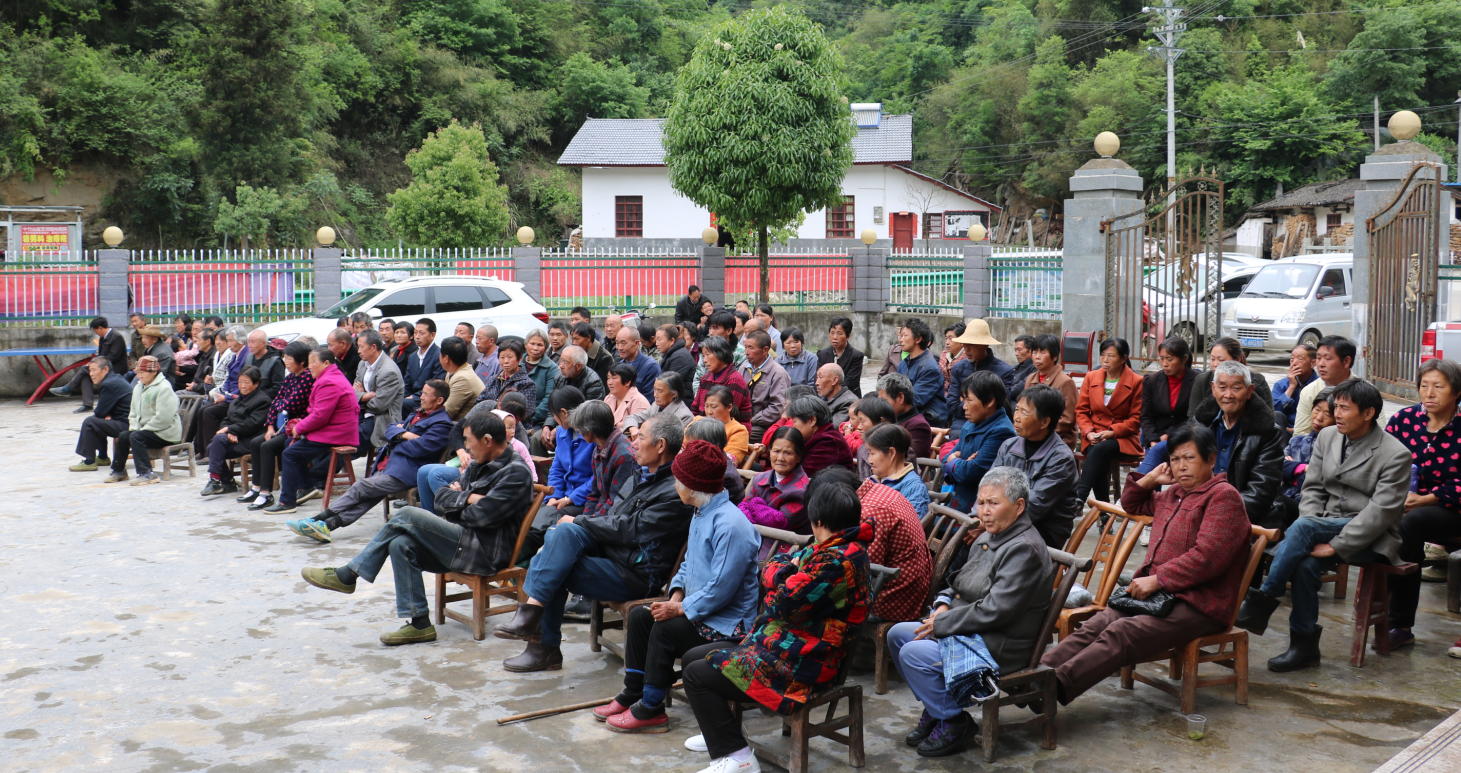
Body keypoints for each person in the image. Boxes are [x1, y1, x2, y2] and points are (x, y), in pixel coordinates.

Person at [1042, 424, 1252, 702]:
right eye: (1175, 459)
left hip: (1200, 603)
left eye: (1189, 458)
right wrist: (1151, 478)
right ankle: (1036, 673)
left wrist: (1158, 579)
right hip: (1160, 597)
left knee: (1122, 632)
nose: (1181, 466)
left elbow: (1208, 557)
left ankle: (1053, 688)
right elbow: (1130, 503)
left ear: (1211, 459)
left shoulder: (1223, 497)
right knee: (1100, 622)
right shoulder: (1173, 494)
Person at [681, 471, 872, 773]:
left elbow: (781, 605)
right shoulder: (829, 546)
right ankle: (720, 731)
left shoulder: (838, 561)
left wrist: (781, 576)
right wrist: (785, 573)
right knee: (693, 656)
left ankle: (739, 758)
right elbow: (777, 568)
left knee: (696, 674)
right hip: (784, 642)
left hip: (804, 662)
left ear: (817, 520)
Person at [300, 411, 535, 645]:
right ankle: (420, 624)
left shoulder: (515, 472)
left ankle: (349, 574)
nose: (466, 447)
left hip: (485, 551)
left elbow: (482, 516)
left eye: (468, 440)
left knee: (406, 514)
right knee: (400, 544)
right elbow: (440, 499)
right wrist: (469, 498)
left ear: (487, 440)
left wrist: (459, 499)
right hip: (462, 540)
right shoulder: (478, 463)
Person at [494, 415, 696, 672]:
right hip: (612, 553)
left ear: (660, 446)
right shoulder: (641, 474)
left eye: (640, 438)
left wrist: (581, 520)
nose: (633, 443)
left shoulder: (675, 490)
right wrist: (579, 522)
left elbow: (631, 530)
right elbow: (611, 514)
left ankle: (542, 645)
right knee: (562, 535)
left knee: (551, 563)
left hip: (634, 573)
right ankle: (533, 623)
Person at [1236, 379, 1411, 671]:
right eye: (1336, 407)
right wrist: (1313, 523)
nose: (1336, 414)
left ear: (1368, 413)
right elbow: (1313, 489)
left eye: (1345, 408)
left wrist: (1336, 546)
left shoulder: (1395, 453)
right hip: (1323, 523)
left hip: (1370, 535)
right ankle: (1304, 648)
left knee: (1303, 528)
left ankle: (1263, 599)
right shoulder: (1328, 436)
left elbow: (1380, 513)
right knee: (1305, 564)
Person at [597, 438, 762, 734]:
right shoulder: (702, 511)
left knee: (665, 628)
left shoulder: (731, 525)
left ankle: (652, 708)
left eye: (678, 480)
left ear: (693, 486)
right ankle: (633, 692)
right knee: (641, 616)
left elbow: (720, 590)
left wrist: (678, 609)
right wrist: (675, 596)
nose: (675, 486)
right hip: (699, 610)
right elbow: (688, 565)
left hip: (727, 624)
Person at [889, 466, 1053, 757]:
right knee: (897, 635)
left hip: (999, 642)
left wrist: (943, 621)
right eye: (981, 502)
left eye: (993, 503)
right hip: (970, 627)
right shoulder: (990, 535)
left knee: (913, 653)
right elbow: (958, 583)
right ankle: (937, 707)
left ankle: (953, 721)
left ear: (1019, 507)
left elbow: (996, 610)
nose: (984, 511)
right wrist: (942, 604)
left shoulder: (1024, 549)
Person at [288, 379, 454, 541]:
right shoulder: (417, 413)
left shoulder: (441, 424)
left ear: (439, 400)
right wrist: (404, 435)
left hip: (406, 472)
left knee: (361, 486)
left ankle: (316, 519)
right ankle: (327, 525)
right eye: (422, 393)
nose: (421, 397)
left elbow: (419, 448)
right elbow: (390, 429)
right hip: (390, 465)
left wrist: (397, 440)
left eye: (426, 394)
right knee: (368, 497)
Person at [1382, 359, 1461, 651]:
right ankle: (1399, 626)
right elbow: (1381, 462)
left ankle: (1396, 619)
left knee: (1410, 524)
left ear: (1457, 392)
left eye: (1438, 386)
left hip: (1452, 509)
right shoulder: (1404, 420)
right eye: (1424, 386)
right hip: (1405, 506)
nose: (1429, 393)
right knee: (1396, 528)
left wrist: (1429, 498)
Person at [262, 347, 360, 515]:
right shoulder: (329, 377)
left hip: (337, 432)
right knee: (288, 443)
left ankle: (287, 501)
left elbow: (320, 416)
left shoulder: (329, 382)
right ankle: (306, 486)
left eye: (313, 362)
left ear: (326, 363)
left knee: (290, 454)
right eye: (309, 362)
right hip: (332, 428)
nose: (310, 366)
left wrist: (299, 428)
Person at [991, 385, 1080, 548]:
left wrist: (992, 522)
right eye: (1016, 410)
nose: (1016, 417)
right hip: (1003, 521)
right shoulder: (1008, 446)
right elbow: (989, 486)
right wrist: (979, 517)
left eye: (1024, 412)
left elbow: (1034, 506)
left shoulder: (1061, 458)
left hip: (1042, 532)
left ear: (1044, 422)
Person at [238, 341, 315, 511]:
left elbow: (292, 405)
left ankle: (266, 493)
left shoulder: (307, 377)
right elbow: (275, 404)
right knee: (256, 442)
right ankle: (256, 487)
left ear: (301, 361)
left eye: (289, 358)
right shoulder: (290, 378)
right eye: (284, 358)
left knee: (267, 446)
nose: (285, 362)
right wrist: (270, 427)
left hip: (297, 427)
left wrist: (282, 405)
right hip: (282, 426)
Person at [1073, 338, 1144, 504]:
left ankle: (1080, 496)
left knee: (1099, 449)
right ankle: (1104, 511)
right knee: (1098, 451)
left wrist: (1112, 432)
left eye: (1111, 356)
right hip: (1094, 434)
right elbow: (1081, 411)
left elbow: (1136, 419)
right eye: (1103, 355)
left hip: (1123, 437)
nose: (1105, 360)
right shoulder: (1091, 377)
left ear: (1123, 358)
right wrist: (1088, 432)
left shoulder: (1136, 381)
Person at [944, 372, 1017, 512]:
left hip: (977, 508)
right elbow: (945, 461)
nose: (964, 406)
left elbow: (971, 473)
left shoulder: (1001, 431)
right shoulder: (970, 424)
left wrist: (953, 461)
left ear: (989, 401)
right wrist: (959, 462)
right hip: (956, 499)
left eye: (969, 400)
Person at [103, 356, 181, 485]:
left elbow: (163, 419)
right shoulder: (139, 387)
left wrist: (142, 430)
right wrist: (135, 428)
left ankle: (147, 473)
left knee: (136, 437)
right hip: (146, 430)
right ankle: (119, 471)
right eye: (138, 372)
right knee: (123, 436)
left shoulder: (164, 388)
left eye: (143, 372)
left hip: (165, 433)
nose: (140, 375)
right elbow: (133, 412)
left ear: (154, 372)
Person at [199, 366, 271, 496]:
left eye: (246, 382)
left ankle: (216, 481)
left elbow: (252, 424)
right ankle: (227, 481)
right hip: (236, 438)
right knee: (213, 447)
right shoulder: (236, 401)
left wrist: (230, 429)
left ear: (256, 384)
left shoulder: (262, 401)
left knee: (215, 443)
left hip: (250, 440)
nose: (242, 386)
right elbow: (227, 420)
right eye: (240, 382)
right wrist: (230, 431)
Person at [739, 426, 810, 541]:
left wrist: (754, 505)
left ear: (799, 457)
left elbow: (778, 523)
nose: (780, 458)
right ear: (770, 451)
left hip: (782, 547)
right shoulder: (760, 479)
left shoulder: (802, 490)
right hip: (751, 538)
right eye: (776, 451)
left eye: (788, 453)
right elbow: (741, 509)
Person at [946, 320, 1016, 434]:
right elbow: (952, 405)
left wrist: (965, 399)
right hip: (961, 423)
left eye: (971, 345)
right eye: (965, 344)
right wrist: (977, 401)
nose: (967, 349)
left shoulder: (1004, 371)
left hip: (990, 425)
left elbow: (1001, 407)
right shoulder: (958, 368)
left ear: (985, 345)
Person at [52, 316, 130, 412]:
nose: (95, 333)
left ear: (100, 328)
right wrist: (94, 362)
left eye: (95, 330)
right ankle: (87, 404)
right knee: (87, 374)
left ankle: (68, 388)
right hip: (103, 366)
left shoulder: (116, 337)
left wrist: (97, 363)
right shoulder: (102, 338)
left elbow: (114, 357)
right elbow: (100, 355)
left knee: (85, 368)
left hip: (116, 368)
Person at [70, 357, 132, 471]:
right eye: (90, 370)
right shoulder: (115, 378)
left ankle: (89, 462)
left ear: (105, 369)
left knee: (90, 422)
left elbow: (99, 412)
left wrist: (105, 414)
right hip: (127, 420)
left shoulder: (108, 384)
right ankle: (102, 457)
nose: (91, 374)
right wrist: (106, 414)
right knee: (99, 420)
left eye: (94, 370)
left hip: (128, 425)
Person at [1188, 337, 1272, 418]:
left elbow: (1268, 416)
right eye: (1212, 359)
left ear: (1237, 359)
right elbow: (1193, 417)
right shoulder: (1202, 380)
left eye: (1221, 360)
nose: (1215, 364)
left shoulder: (1258, 381)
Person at [1140, 337, 1199, 449]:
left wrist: (1170, 433)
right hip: (1157, 436)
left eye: (1169, 359)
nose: (1164, 364)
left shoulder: (1197, 381)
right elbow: (1146, 417)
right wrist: (1153, 440)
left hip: (1187, 436)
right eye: (1161, 359)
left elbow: (1195, 417)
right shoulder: (1151, 381)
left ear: (1184, 359)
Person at [1021, 333, 1077, 448]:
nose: (1037, 357)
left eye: (1043, 352)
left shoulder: (1065, 382)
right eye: (1035, 352)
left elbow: (1067, 420)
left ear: (1055, 356)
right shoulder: (1030, 379)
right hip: (1033, 434)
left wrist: (1038, 432)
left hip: (1057, 439)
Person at [353, 329, 403, 455]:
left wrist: (359, 398)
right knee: (333, 432)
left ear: (373, 347)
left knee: (348, 439)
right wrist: (364, 396)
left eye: (361, 347)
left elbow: (378, 406)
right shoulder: (362, 364)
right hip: (361, 414)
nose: (358, 351)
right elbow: (352, 392)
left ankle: (323, 469)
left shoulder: (389, 371)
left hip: (380, 419)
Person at [1294, 335, 1355, 436]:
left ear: (1346, 361)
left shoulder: (1365, 392)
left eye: (1328, 358)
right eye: (1318, 358)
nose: (1321, 364)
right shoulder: (1309, 391)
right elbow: (1300, 433)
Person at [866, 423, 929, 519]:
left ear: (891, 453)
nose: (869, 460)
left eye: (872, 453)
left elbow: (913, 525)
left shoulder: (914, 488)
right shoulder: (872, 481)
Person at [739, 329, 790, 444]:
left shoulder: (778, 373)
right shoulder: (743, 368)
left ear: (765, 350)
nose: (746, 352)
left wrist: (752, 420)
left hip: (763, 425)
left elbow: (777, 408)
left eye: (751, 348)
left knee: (738, 435)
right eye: (745, 347)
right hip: (744, 420)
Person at [1282, 389, 1333, 501]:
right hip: (1285, 496)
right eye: (1317, 410)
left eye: (1327, 414)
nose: (1318, 417)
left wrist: (1291, 473)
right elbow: (1275, 467)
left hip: (1310, 503)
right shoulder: (1297, 441)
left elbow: (1321, 482)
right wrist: (1304, 468)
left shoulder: (1335, 448)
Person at [787, 394, 854, 477]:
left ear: (812, 420)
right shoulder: (817, 436)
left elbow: (803, 475)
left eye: (794, 422)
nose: (793, 427)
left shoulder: (828, 441)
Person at [897, 317, 948, 427]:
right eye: (900, 336)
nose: (901, 340)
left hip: (927, 419)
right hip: (908, 415)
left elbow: (915, 399)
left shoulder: (929, 367)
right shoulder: (903, 364)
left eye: (905, 336)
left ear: (918, 339)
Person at [692, 337, 752, 420]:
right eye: (703, 355)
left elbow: (728, 416)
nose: (704, 360)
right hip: (705, 424)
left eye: (708, 354)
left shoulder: (734, 380)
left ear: (721, 354)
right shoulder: (705, 378)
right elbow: (695, 409)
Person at [625, 371, 694, 438]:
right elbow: (633, 417)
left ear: (674, 394)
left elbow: (669, 440)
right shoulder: (655, 406)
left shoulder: (684, 416)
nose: (655, 395)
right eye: (655, 389)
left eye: (660, 391)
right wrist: (633, 428)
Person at [880, 373, 933, 460]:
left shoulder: (919, 426)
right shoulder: (890, 419)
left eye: (884, 400)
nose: (880, 405)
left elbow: (908, 458)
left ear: (901, 397)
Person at [695, 385, 751, 466]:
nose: (709, 411)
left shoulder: (738, 430)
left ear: (729, 407)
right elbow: (682, 445)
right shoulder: (697, 421)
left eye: (714, 407)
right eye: (706, 406)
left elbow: (729, 461)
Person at [693, 312, 746, 393]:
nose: (711, 332)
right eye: (710, 328)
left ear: (728, 331)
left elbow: (738, 383)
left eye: (715, 328)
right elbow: (697, 379)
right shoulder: (705, 348)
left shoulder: (741, 352)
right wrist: (702, 399)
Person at [475, 338, 536, 409]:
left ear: (519, 359)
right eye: (502, 357)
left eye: (510, 357)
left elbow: (526, 411)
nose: (506, 361)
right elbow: (478, 403)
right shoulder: (493, 379)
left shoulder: (527, 384)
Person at [402, 318, 445, 415]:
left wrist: (414, 397)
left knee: (399, 404)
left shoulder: (438, 355)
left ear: (432, 335)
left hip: (428, 399)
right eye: (415, 332)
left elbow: (437, 384)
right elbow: (407, 383)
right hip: (411, 399)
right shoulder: (413, 356)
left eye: (421, 333)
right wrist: (404, 396)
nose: (417, 336)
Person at [435, 335, 483, 421]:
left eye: (440, 354)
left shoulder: (463, 379)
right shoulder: (453, 370)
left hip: (463, 425)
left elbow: (447, 412)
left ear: (446, 359)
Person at [1272, 343, 1319, 429]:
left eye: (1300, 359)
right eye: (1292, 358)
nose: (1294, 363)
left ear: (1312, 363)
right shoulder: (1281, 385)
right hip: (1285, 430)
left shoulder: (1320, 384)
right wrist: (1292, 386)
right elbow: (1274, 412)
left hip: (1311, 430)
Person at [523, 329, 560, 429]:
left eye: (540, 345)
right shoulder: (518, 363)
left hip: (537, 420)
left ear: (546, 348)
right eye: (532, 344)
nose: (535, 348)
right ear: (526, 345)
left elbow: (549, 398)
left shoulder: (552, 368)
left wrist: (529, 418)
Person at [655, 324, 697, 405]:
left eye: (659, 340)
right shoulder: (671, 353)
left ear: (672, 341)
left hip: (682, 402)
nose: (656, 343)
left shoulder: (680, 356)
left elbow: (670, 384)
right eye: (656, 340)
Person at [614, 326, 661, 395]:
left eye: (623, 343)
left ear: (636, 343)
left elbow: (650, 398)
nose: (619, 347)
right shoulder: (619, 366)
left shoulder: (651, 367)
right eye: (617, 343)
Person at [604, 361, 651, 428]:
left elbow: (637, 430)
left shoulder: (639, 401)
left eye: (614, 378)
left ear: (627, 382)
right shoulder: (608, 398)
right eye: (608, 378)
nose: (609, 382)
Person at [816, 363, 857, 428]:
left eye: (820, 377)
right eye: (817, 377)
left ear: (834, 380)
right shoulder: (822, 398)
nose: (816, 383)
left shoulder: (848, 402)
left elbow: (831, 428)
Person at [1006, 334, 1037, 405]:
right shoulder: (1015, 367)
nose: (1016, 354)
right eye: (1015, 350)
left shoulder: (1035, 368)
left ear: (1031, 350)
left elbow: (1019, 388)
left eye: (1019, 350)